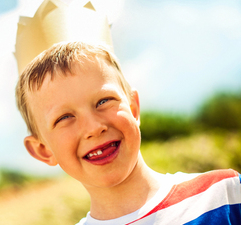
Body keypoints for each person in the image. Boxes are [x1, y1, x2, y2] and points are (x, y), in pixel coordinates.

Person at [15, 41, 241, 224]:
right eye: (64, 118)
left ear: (133, 109)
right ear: (43, 150)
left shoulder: (223, 194)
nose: (94, 128)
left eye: (104, 101)